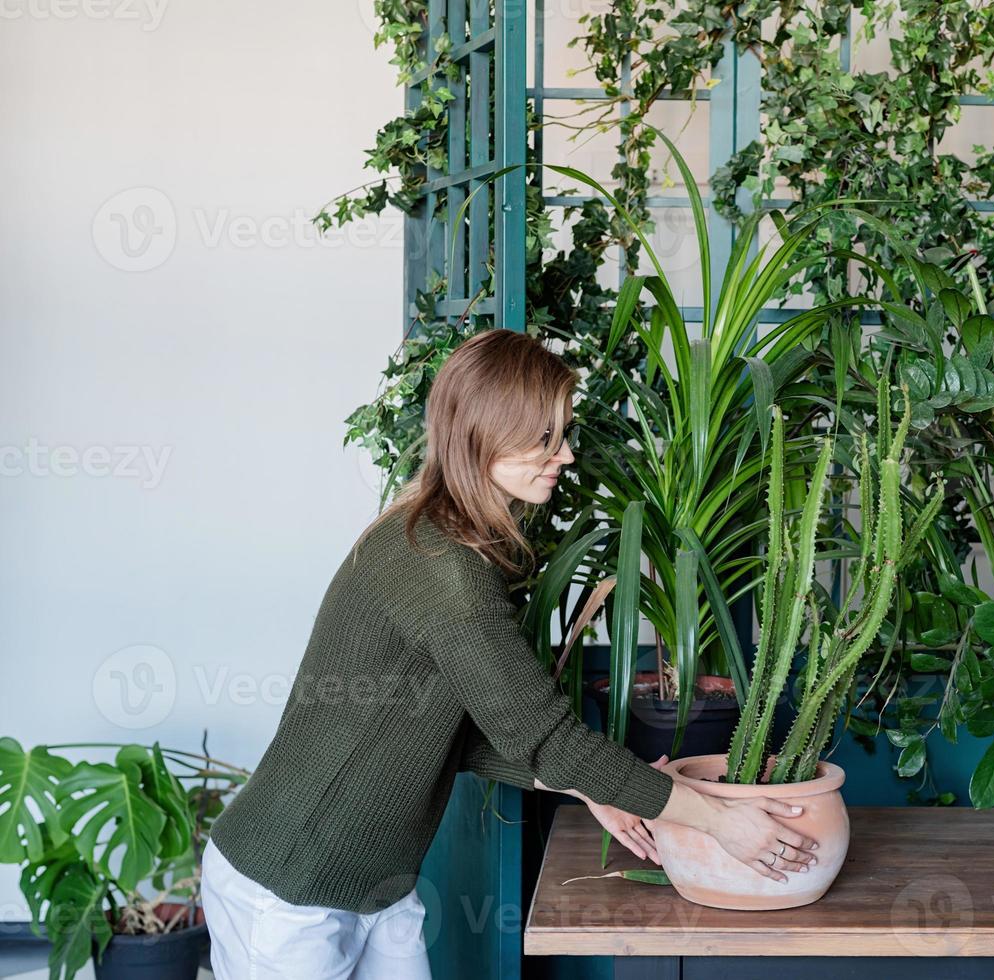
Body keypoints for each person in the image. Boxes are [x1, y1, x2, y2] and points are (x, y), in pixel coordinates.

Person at [200, 328, 818, 979]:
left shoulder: (442, 540)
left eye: (564, 434)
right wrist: (721, 821)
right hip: (291, 889)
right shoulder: (441, 566)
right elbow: (543, 735)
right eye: (545, 439)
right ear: (483, 436)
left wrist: (591, 786)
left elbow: (453, 735)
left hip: (375, 888)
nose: (567, 455)